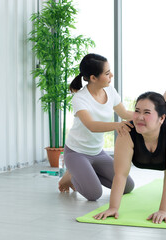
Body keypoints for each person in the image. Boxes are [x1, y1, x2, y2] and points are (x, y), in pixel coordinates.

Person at [93, 69, 166, 224]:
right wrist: (113, 207)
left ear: (161, 119)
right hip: (160, 123)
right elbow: (120, 174)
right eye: (137, 111)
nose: (139, 117)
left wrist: (163, 211)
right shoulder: (127, 131)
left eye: (146, 112)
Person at [58, 53, 135, 201]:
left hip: (97, 152)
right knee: (94, 194)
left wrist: (147, 116)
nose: (111, 75)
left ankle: (84, 171)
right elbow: (91, 126)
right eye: (107, 73)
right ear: (93, 78)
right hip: (76, 153)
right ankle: (71, 175)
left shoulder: (110, 92)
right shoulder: (80, 98)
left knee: (127, 186)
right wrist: (117, 125)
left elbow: (124, 113)